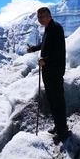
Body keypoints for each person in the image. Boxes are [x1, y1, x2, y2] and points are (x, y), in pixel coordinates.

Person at [27, 7, 69, 143]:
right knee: (53, 100)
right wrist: (34, 48)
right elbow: (45, 44)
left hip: (54, 71)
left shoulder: (56, 28)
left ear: (49, 16)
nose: (40, 19)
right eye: (39, 17)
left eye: (43, 16)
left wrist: (45, 60)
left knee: (57, 101)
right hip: (49, 71)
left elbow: (57, 50)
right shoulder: (49, 28)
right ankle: (59, 126)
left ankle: (63, 131)